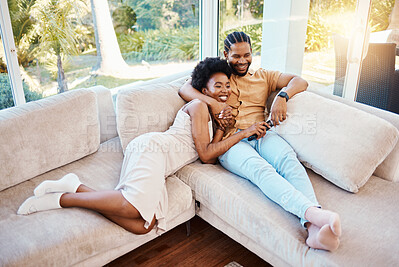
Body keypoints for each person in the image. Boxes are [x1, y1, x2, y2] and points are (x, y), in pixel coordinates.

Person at [17, 57, 267, 235]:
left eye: (227, 86)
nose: (224, 91)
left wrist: (224, 128)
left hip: (160, 164)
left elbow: (210, 158)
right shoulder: (200, 106)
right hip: (153, 149)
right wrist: (243, 133)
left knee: (143, 226)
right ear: (204, 89)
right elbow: (204, 154)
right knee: (131, 207)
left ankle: (76, 186)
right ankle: (63, 199)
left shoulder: (214, 117)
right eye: (217, 86)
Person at [179, 31, 342, 251]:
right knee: (261, 170)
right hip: (232, 141)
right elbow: (185, 88)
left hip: (263, 134)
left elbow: (299, 81)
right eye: (236, 56)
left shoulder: (263, 76)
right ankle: (313, 213)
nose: (242, 61)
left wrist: (282, 97)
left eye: (247, 55)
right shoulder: (220, 78)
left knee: (288, 160)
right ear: (226, 54)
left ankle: (313, 229)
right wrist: (214, 104)